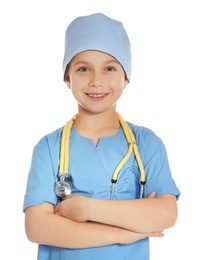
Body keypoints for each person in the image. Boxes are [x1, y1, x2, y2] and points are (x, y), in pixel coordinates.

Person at [23, 12, 180, 260]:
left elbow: (165, 214)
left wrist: (85, 208)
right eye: (83, 69)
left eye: (109, 68)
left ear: (126, 76)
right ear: (67, 77)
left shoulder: (146, 144)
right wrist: (122, 231)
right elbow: (37, 227)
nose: (97, 81)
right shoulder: (49, 148)